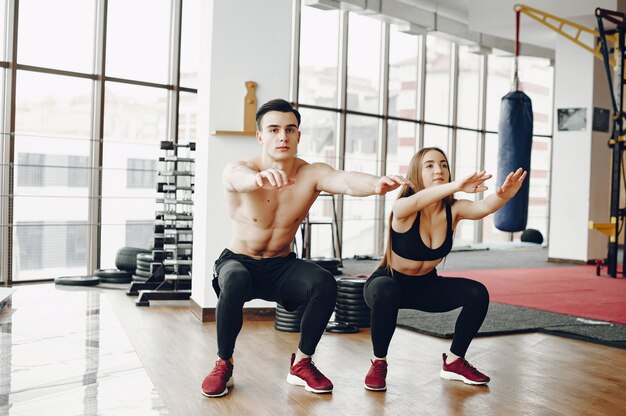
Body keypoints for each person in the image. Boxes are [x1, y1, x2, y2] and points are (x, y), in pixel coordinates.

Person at [201, 98, 412, 398]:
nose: (282, 136)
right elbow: (235, 179)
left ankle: (302, 363)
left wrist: (376, 183)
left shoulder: (310, 174)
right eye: (273, 129)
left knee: (324, 282)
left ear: (299, 135)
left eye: (290, 129)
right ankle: (224, 363)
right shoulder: (242, 168)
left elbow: (345, 180)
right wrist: (257, 179)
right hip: (239, 261)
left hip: (281, 265)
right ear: (260, 136)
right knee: (235, 279)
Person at [362, 147, 527, 391]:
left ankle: (454, 361)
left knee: (477, 292)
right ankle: (379, 362)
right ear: (416, 173)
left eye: (443, 165)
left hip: (426, 287)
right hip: (387, 284)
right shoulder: (404, 207)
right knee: (387, 290)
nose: (439, 169)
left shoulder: (453, 210)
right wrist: (458, 186)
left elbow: (483, 207)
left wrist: (505, 196)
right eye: (429, 165)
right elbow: (420, 199)